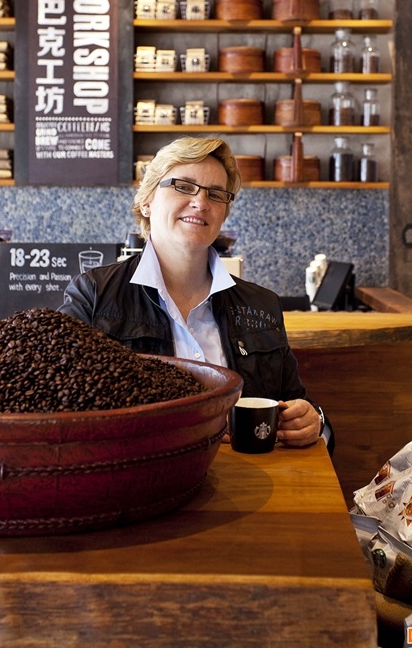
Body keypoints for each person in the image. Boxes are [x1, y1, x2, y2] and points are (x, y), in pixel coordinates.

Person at [59, 136, 330, 450]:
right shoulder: (93, 295)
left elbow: (297, 407)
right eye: (183, 186)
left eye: (215, 194)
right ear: (146, 201)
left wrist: (314, 422)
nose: (201, 202)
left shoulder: (262, 305)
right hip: (137, 481)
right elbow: (60, 409)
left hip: (249, 488)